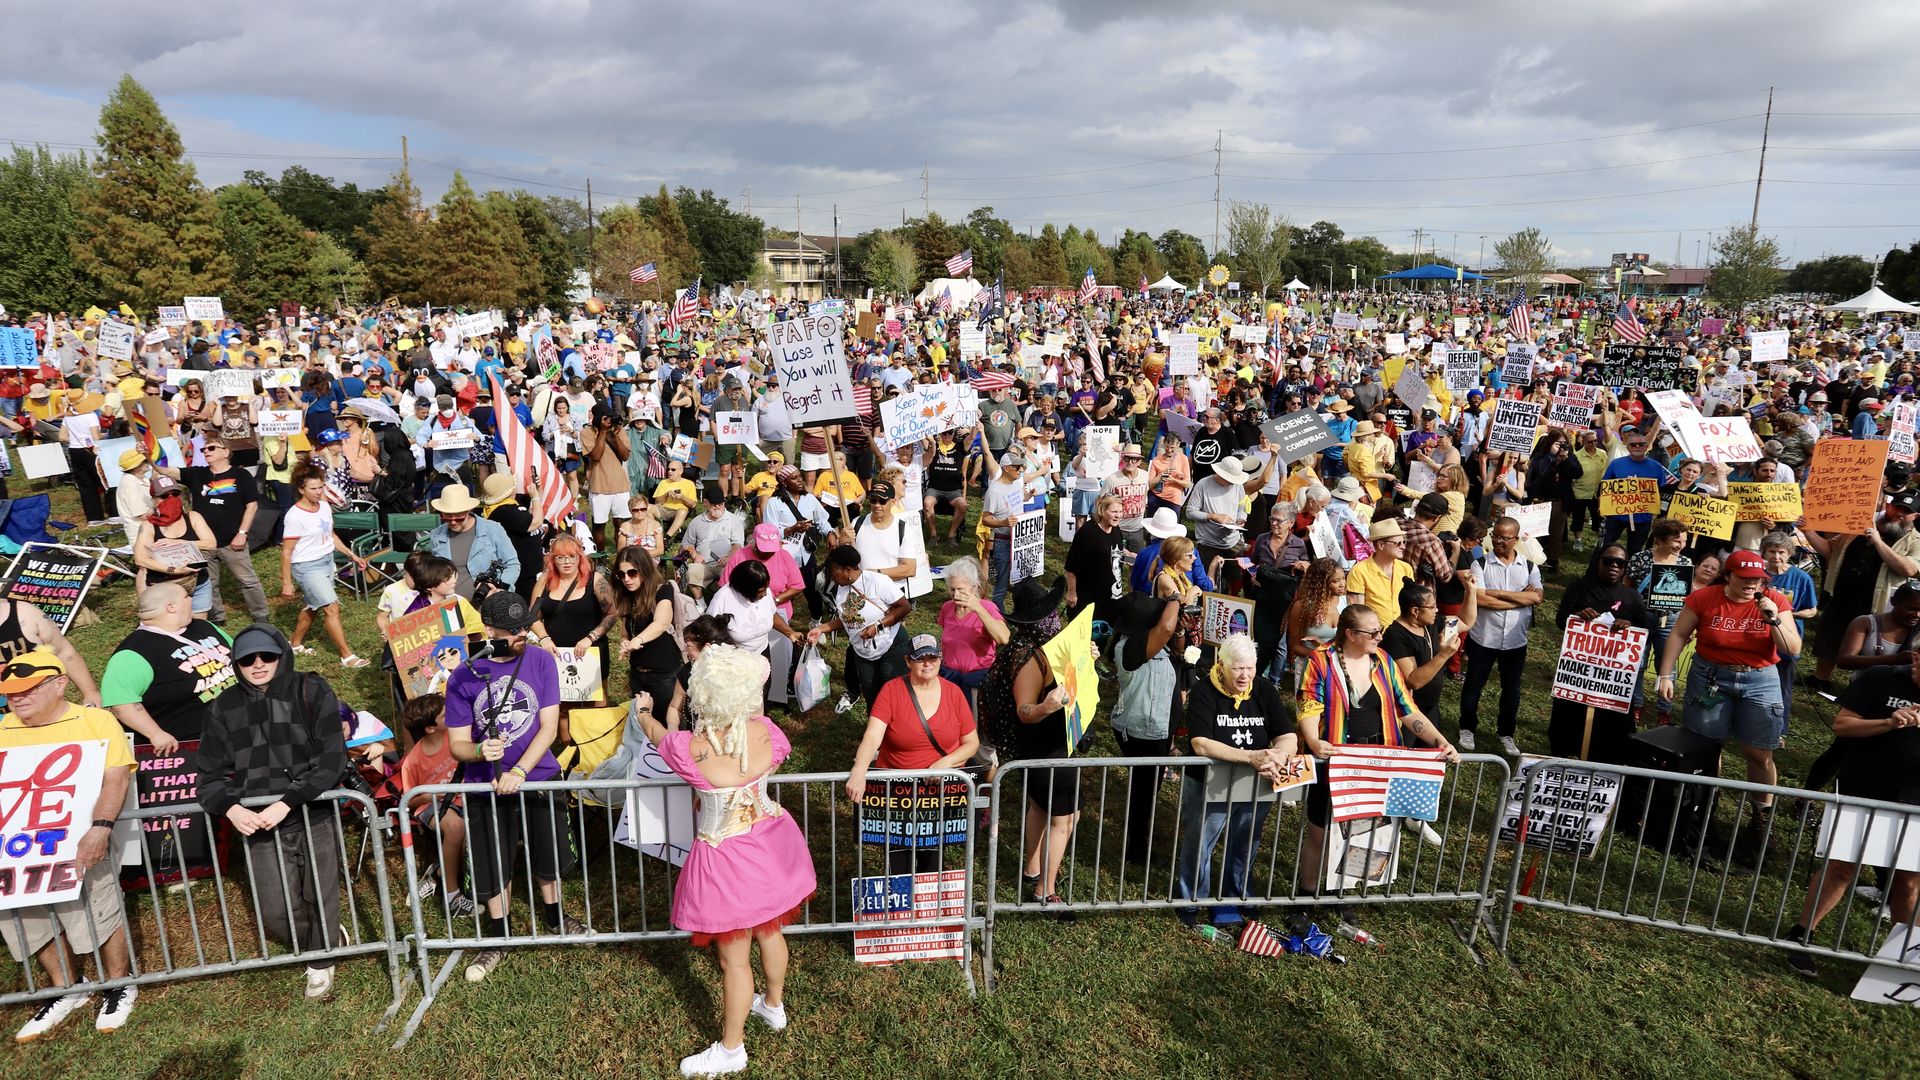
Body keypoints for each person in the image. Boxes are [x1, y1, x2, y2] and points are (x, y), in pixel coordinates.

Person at [630, 645, 816, 1078]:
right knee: (770, 930)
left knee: (734, 960)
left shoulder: (688, 748)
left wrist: (643, 712)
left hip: (726, 859)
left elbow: (658, 736)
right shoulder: (767, 730)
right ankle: (773, 1005)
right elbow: (771, 751)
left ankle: (732, 1049)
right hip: (772, 844)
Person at [197, 625, 349, 1001]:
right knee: (274, 910)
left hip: (311, 811)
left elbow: (332, 760)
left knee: (321, 892)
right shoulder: (224, 706)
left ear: (282, 655)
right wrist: (231, 810)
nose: (258, 664)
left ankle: (321, 957)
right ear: (236, 663)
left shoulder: (312, 690)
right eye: (247, 659)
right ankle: (322, 937)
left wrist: (288, 801)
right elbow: (208, 777)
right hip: (258, 825)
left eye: (267, 655)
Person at [444, 591, 583, 984]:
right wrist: (477, 750)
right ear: (490, 631)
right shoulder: (463, 675)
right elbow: (456, 743)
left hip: (536, 777)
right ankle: (499, 935)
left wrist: (520, 770)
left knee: (549, 853)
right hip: (484, 786)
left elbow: (550, 726)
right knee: (493, 860)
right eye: (516, 629)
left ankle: (556, 917)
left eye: (527, 626)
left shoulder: (540, 660)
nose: (525, 634)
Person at [0, 649, 139, 1041]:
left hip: (80, 841)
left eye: (28, 689)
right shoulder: (2, 728)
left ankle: (118, 983)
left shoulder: (95, 721)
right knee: (26, 920)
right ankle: (66, 988)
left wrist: (100, 827)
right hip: (16, 850)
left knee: (98, 911)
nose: (17, 698)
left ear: (60, 684)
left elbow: (117, 777)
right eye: (11, 692)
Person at [1295, 604, 1461, 906]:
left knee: (1362, 834)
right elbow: (1308, 704)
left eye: (1379, 630)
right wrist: (1312, 740)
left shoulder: (1383, 660)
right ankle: (1305, 895)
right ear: (1350, 634)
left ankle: (1341, 895)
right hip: (1333, 760)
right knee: (1319, 833)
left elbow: (1407, 710)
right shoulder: (1321, 661)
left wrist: (1439, 741)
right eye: (1372, 632)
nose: (1379, 636)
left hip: (1374, 762)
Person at [1655, 550, 1801, 868]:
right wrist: (1666, 673)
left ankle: (1760, 821)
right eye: (1745, 579)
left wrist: (1772, 617)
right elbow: (1679, 633)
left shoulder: (1774, 599)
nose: (1752, 585)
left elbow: (1792, 648)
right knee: (1707, 748)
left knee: (1759, 752)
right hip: (1711, 676)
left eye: (1758, 580)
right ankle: (1705, 812)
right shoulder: (1705, 598)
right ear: (1729, 576)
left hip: (1760, 678)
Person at [1781, 647, 1920, 977]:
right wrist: (1888, 722)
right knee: (1842, 868)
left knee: (1908, 883)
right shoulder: (1880, 679)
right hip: (1864, 789)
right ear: (1916, 657)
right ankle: (1801, 935)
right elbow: (1842, 726)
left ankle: (1903, 961)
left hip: (1916, 801)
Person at [1174, 633, 1297, 930]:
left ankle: (1237, 895)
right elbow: (1201, 744)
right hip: (1209, 782)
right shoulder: (1204, 691)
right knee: (1200, 842)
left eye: (1250, 668)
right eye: (1238, 668)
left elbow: (1287, 735)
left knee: (1245, 843)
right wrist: (1251, 756)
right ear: (1222, 665)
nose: (1245, 675)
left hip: (1255, 783)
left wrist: (1277, 757)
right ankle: (1191, 901)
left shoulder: (1264, 689)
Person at [981, 577, 1079, 912]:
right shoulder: (1028, 657)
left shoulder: (1042, 646)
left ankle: (1032, 868)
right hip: (1043, 748)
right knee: (1064, 819)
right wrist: (1046, 707)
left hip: (1051, 745)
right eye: (1050, 615)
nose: (1056, 620)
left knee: (1042, 807)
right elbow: (1025, 711)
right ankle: (1045, 891)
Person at [845, 634, 981, 873]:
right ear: (908, 661)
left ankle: (928, 907)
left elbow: (971, 743)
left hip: (939, 792)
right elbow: (872, 736)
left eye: (933, 657)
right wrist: (859, 770)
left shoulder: (955, 694)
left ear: (941, 660)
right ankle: (903, 908)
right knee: (899, 858)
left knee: (933, 857)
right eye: (920, 658)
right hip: (898, 792)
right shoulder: (891, 691)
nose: (927, 663)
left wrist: (945, 764)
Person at [101, 583, 237, 750]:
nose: (191, 599)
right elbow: (122, 704)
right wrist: (155, 734)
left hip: (237, 726)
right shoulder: (133, 652)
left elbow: (238, 655)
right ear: (171, 607)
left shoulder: (204, 627)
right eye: (186, 597)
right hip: (191, 745)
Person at [1549, 546, 1652, 762]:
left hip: (1613, 677)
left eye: (1620, 563)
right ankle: (1565, 752)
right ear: (1599, 562)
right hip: (1580, 672)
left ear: (1625, 568)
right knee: (1570, 716)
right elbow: (1561, 620)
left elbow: (1643, 630)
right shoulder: (1580, 588)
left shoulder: (1632, 597)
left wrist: (1629, 626)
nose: (1614, 566)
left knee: (1612, 721)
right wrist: (1577, 615)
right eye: (1609, 561)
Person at [1459, 516, 1544, 756]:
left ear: (1515, 540)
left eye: (1504, 538)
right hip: (1484, 637)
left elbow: (1537, 598)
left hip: (1516, 641)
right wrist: (1518, 599)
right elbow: (1480, 599)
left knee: (1511, 690)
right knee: (1474, 685)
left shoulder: (1528, 567)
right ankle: (1467, 727)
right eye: (1494, 536)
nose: (1497, 541)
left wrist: (1496, 593)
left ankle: (1506, 732)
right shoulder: (1480, 564)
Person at [279, 466, 372, 667]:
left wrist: (351, 555)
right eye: (313, 488)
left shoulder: (324, 506)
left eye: (321, 487)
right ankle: (347, 656)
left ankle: (294, 643)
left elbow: (330, 535)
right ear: (301, 490)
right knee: (331, 607)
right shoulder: (294, 516)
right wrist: (287, 582)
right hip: (306, 566)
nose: (319, 492)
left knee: (313, 605)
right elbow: (286, 552)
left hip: (326, 562)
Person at [396, 693, 476, 917]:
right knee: (455, 827)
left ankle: (439, 873)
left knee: (465, 835)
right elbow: (410, 801)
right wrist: (433, 795)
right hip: (430, 805)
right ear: (430, 728)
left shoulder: (456, 737)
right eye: (445, 714)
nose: (451, 714)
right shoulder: (413, 761)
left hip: (464, 798)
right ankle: (453, 897)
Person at [180, 436, 273, 626]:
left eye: (211, 448)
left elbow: (252, 505)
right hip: (204, 542)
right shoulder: (197, 474)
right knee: (208, 583)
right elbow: (164, 470)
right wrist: (149, 457)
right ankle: (216, 619)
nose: (206, 451)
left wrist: (242, 533)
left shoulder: (241, 476)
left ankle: (261, 616)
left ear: (226, 452)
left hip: (232, 540)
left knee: (247, 580)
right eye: (203, 450)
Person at [806, 545, 910, 715]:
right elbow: (848, 618)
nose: (832, 577)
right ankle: (875, 736)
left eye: (834, 573)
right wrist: (821, 628)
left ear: (848, 570)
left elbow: (904, 607)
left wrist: (879, 626)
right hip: (862, 652)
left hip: (891, 646)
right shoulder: (841, 588)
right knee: (872, 696)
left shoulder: (877, 581)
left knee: (894, 695)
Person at [1383, 579, 1476, 731]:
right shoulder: (1395, 636)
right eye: (1432, 607)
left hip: (1430, 707)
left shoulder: (1433, 623)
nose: (1437, 610)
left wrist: (1471, 590)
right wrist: (1443, 655)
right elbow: (1413, 681)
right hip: (1406, 712)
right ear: (1415, 611)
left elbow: (1465, 621)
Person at [613, 545, 685, 719]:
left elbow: (661, 622)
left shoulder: (662, 591)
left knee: (666, 723)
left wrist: (638, 639)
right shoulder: (626, 596)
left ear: (644, 570)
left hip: (664, 673)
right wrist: (625, 639)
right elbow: (625, 630)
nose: (627, 579)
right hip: (638, 672)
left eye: (632, 573)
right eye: (621, 574)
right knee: (642, 724)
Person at [425, 484, 522, 600]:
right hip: (449, 606)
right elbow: (426, 569)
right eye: (447, 517)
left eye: (459, 517)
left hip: (488, 604)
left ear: (468, 510)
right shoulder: (436, 535)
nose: (453, 522)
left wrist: (500, 589)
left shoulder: (493, 529)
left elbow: (512, 564)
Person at [133, 489, 219, 617]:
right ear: (154, 500)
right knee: (170, 628)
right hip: (165, 587)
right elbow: (140, 559)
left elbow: (211, 544)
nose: (171, 498)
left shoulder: (193, 517)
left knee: (199, 626)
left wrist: (181, 543)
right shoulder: (148, 526)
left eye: (175, 494)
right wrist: (172, 570)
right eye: (164, 496)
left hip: (197, 583)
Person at [935, 556, 1009, 701]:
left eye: (961, 590)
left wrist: (978, 609)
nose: (955, 594)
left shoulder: (987, 607)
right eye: (952, 589)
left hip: (977, 683)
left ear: (974, 587)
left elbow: (1003, 638)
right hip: (949, 680)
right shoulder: (947, 608)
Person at [1597, 430, 1668, 556]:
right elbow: (1605, 486)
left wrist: (1656, 515)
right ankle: (1594, 575)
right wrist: (1601, 505)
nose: (1637, 447)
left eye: (1641, 444)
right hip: (1616, 514)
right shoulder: (1616, 464)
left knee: (1635, 550)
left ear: (1647, 447)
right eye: (1633, 445)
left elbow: (1661, 491)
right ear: (1627, 447)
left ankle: (1629, 575)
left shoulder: (1657, 467)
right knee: (1604, 547)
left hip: (1642, 518)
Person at [1064, 493, 1127, 622]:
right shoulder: (1087, 533)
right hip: (1089, 598)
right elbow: (1072, 567)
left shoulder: (1115, 528)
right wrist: (1071, 592)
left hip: (1111, 596)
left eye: (1120, 511)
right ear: (1102, 511)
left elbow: (1115, 547)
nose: (1118, 515)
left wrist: (1127, 554)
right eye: (1114, 511)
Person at [1346, 518, 1415, 627]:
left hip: (1402, 634)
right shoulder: (1359, 571)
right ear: (1381, 545)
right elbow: (1357, 613)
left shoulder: (1406, 568)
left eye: (1403, 542)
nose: (1403, 546)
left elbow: (1411, 602)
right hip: (1374, 635)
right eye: (1397, 543)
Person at [683, 485, 748, 599]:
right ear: (705, 503)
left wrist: (729, 558)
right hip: (704, 565)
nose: (718, 507)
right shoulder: (697, 521)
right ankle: (700, 602)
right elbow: (686, 543)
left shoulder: (734, 520)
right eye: (714, 504)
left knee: (732, 574)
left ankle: (721, 601)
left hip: (726, 564)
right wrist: (694, 554)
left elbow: (738, 544)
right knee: (691, 572)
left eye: (721, 504)